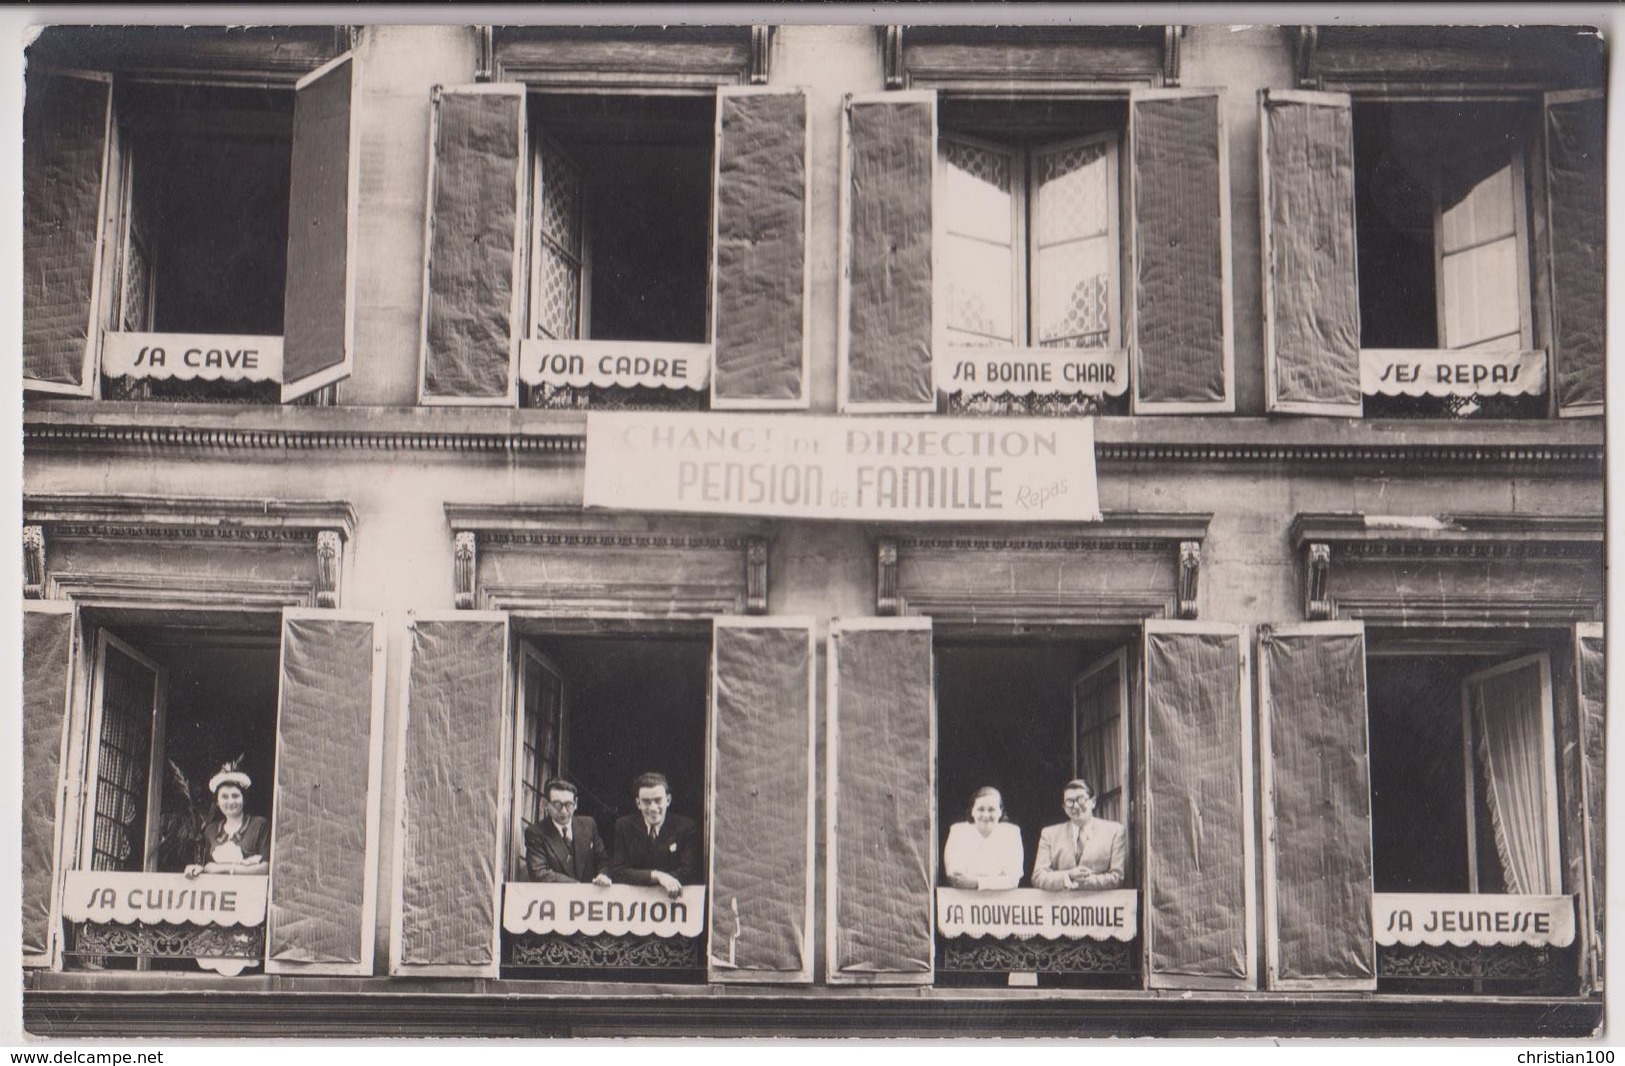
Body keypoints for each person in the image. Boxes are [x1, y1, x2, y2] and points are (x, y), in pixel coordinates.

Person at [608, 772, 700, 900]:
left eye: (658, 800)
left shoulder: (686, 828)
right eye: (646, 802)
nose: (653, 808)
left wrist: (645, 877)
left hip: (672, 904)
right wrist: (657, 876)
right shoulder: (624, 826)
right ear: (638, 803)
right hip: (634, 902)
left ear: (668, 800)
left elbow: (687, 871)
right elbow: (618, 872)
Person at [1032, 778, 1126, 892]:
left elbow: (1117, 877)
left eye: (1081, 799)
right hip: (1061, 907)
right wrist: (1068, 876)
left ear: (1093, 802)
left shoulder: (1115, 832)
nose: (1076, 806)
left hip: (1100, 907)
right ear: (1064, 807)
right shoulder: (1049, 834)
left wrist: (1083, 881)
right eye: (1069, 802)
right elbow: (1038, 876)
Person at [184, 762, 270, 879]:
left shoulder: (259, 825)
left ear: (244, 799)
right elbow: (207, 868)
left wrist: (225, 868)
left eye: (235, 796)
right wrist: (196, 869)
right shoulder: (211, 830)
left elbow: (266, 868)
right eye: (224, 797)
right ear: (217, 803)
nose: (230, 802)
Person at [524, 778, 611, 885]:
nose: (564, 811)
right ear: (545, 804)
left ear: (576, 804)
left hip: (589, 899)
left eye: (569, 805)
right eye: (557, 805)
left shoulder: (588, 825)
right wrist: (575, 886)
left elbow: (603, 860)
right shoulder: (535, 833)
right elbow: (539, 872)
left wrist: (603, 874)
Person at [942, 785, 1024, 890]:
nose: (986, 815)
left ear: (1000, 811)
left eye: (991, 810)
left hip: (1001, 902)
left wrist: (977, 883)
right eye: (980, 809)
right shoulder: (958, 832)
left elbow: (1013, 880)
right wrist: (998, 879)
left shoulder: (1011, 833)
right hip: (964, 900)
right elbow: (955, 877)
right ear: (972, 811)